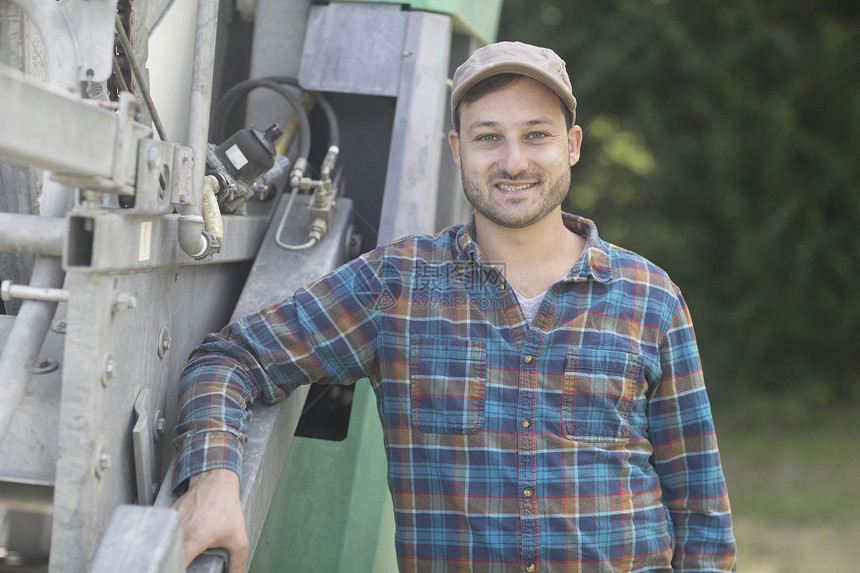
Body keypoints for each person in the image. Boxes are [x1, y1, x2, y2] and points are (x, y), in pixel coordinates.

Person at [171, 41, 737, 572]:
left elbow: (701, 513)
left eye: (536, 134)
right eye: (488, 137)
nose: (513, 161)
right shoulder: (398, 287)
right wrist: (213, 481)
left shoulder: (649, 296)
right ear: (456, 148)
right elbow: (231, 359)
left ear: (573, 145)